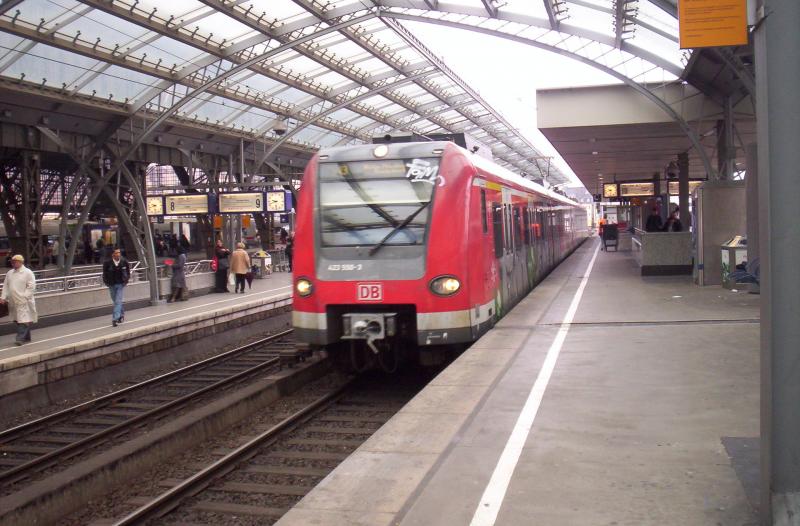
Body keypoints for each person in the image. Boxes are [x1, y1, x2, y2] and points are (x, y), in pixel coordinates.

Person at [0, 255, 37, 345]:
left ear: (21, 262)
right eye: (12, 262)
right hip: (13, 301)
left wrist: (25, 296)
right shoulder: (9, 273)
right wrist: (3, 297)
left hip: (24, 300)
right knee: (18, 319)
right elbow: (6, 286)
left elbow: (31, 286)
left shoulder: (28, 272)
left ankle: (19, 338)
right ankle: (26, 336)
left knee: (23, 319)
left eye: (15, 261)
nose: (13, 263)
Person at [102, 248, 130, 327]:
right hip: (111, 284)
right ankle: (121, 314)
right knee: (116, 301)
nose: (119, 254)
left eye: (119, 252)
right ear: (113, 254)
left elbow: (128, 272)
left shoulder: (124, 262)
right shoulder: (107, 263)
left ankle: (115, 318)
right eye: (117, 253)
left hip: (120, 284)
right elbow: (104, 274)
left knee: (118, 301)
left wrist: (126, 280)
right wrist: (106, 282)